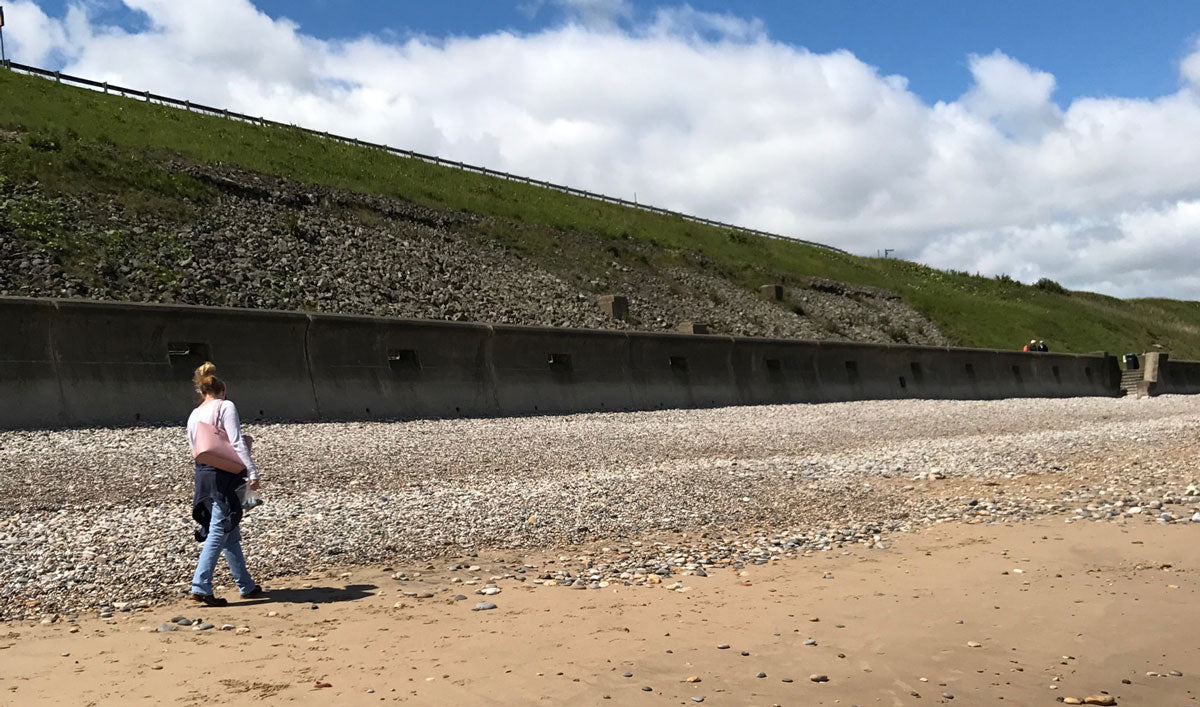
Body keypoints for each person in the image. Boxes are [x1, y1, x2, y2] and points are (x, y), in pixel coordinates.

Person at [186, 362, 263, 606]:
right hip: (225, 474)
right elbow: (237, 441)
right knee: (220, 529)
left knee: (229, 528)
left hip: (203, 474)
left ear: (202, 392)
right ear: (223, 391)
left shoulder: (195, 414)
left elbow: (195, 448)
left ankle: (246, 585)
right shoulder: (226, 406)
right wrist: (252, 470)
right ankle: (200, 585)